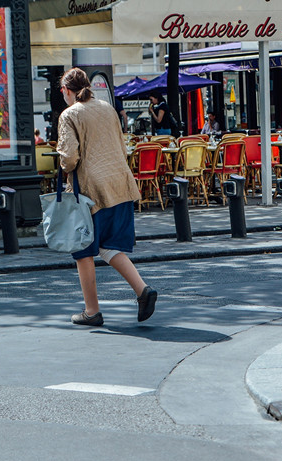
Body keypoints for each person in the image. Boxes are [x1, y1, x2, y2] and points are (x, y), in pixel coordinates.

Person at [57, 67, 158, 326]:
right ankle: (142, 290)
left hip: (92, 191)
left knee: (83, 249)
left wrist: (62, 164)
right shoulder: (107, 108)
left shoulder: (69, 115)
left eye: (62, 90)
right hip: (120, 184)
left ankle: (92, 311)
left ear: (66, 90)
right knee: (108, 246)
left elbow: (69, 158)